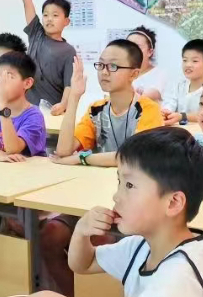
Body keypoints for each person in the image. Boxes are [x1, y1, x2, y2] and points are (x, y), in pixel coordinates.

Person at [32, 128, 203, 297]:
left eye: (129, 185)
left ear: (173, 203)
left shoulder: (178, 281)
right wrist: (81, 232)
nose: (116, 196)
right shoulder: (142, 245)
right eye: (120, 183)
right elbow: (84, 264)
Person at [44, 40, 164, 297]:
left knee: (99, 239)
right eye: (101, 65)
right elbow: (64, 150)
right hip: (91, 197)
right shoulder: (96, 109)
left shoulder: (148, 110)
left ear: (134, 73)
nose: (104, 72)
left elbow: (133, 157)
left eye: (113, 66)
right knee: (51, 234)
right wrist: (74, 97)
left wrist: (83, 159)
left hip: (129, 200)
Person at [7, 0, 76, 116]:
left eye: (55, 15)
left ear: (66, 21)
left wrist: (63, 104)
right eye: (45, 15)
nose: (49, 19)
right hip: (25, 109)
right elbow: (27, 0)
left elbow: (69, 85)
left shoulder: (69, 51)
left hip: (51, 113)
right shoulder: (36, 33)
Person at [0, 51, 47, 161]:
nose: (0, 83)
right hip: (4, 169)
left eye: (8, 77)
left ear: (27, 83)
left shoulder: (34, 116)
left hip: (28, 170)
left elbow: (13, 149)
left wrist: (3, 106)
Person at [162, 39, 203, 125]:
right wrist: (166, 112)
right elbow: (169, 104)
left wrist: (182, 116)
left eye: (194, 61)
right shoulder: (178, 86)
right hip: (178, 132)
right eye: (185, 60)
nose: (188, 65)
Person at [127, 26, 166, 102]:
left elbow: (153, 94)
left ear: (150, 52)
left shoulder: (160, 74)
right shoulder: (121, 73)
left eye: (137, 46)